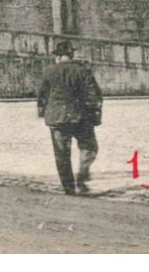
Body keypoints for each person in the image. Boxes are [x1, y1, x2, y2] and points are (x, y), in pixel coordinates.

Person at [37, 40, 102, 196]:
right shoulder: (83, 70)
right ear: (71, 54)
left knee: (62, 155)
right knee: (90, 148)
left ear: (58, 56)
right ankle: (82, 175)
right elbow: (94, 93)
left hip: (57, 119)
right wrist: (95, 113)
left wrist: (42, 111)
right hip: (81, 117)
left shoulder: (49, 71)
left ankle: (69, 188)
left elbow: (42, 95)